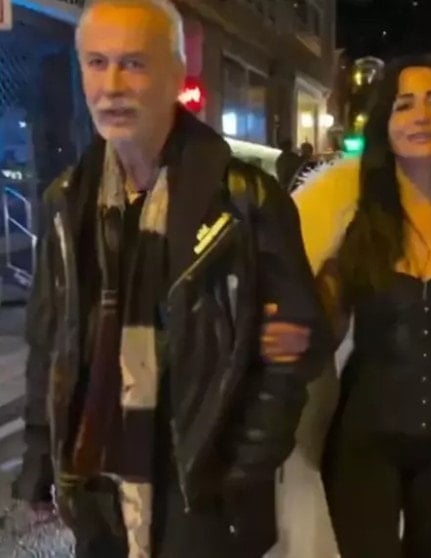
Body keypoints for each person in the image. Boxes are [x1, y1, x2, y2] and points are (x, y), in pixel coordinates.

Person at [12, 1, 330, 557]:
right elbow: (49, 338)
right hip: (99, 484)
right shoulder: (67, 199)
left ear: (177, 74)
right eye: (97, 63)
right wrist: (41, 457)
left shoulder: (245, 201)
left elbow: (299, 348)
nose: (112, 85)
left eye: (134, 63)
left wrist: (241, 469)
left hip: (201, 494)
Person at [278, 53, 431, 558]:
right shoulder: (350, 212)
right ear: (385, 124)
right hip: (364, 440)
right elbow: (320, 321)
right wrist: (291, 330)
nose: (421, 116)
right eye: (404, 105)